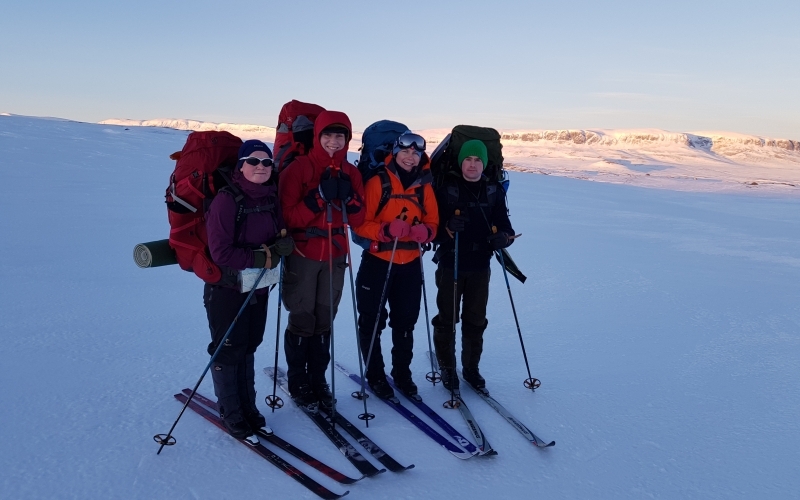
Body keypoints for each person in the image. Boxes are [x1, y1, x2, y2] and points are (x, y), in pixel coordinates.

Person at [205, 139, 294, 438]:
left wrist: (282, 246)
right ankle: (231, 412)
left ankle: (249, 408)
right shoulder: (227, 200)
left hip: (258, 287)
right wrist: (261, 257)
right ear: (240, 166)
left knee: (250, 345)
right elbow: (220, 252)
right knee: (229, 349)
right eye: (253, 161)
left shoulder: (270, 197)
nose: (260, 167)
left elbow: (280, 233)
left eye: (266, 162)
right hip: (228, 288)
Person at [278, 111, 365, 406]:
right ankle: (298, 381)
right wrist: (317, 198)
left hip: (335, 256)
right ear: (317, 136)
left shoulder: (351, 173)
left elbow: (360, 217)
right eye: (328, 135)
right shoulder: (299, 168)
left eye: (340, 136)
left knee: (325, 320)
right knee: (303, 318)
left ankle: (318, 380)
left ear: (347, 140)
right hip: (304, 254)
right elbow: (287, 216)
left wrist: (350, 199)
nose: (333, 141)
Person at [353, 132, 438, 399]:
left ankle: (402, 374)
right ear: (395, 152)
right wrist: (386, 230)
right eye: (405, 151)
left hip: (410, 263)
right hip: (378, 262)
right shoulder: (378, 182)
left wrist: (426, 232)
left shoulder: (425, 185)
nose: (410, 157)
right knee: (372, 321)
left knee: (405, 322)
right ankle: (375, 375)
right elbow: (359, 223)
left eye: (416, 153)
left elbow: (433, 222)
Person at [432, 139, 514, 391]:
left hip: (480, 265)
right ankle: (447, 367)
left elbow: (506, 227)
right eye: (468, 159)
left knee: (476, 319)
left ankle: (470, 368)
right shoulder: (446, 190)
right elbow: (431, 231)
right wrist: (446, 228)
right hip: (451, 262)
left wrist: (504, 238)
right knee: (448, 318)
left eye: (478, 160)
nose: (472, 164)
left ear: (485, 164)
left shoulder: (493, 191)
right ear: (461, 162)